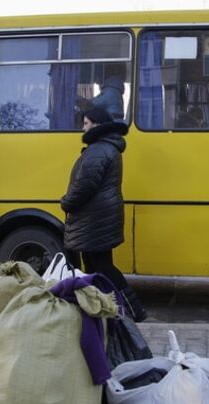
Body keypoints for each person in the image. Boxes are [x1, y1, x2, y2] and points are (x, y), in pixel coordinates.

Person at [61, 107, 147, 322]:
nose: (83, 127)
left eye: (87, 123)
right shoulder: (107, 148)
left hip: (94, 219)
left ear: (98, 125)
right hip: (99, 218)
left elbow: (85, 185)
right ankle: (102, 311)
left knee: (102, 266)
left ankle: (133, 310)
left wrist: (67, 202)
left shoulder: (98, 150)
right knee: (94, 266)